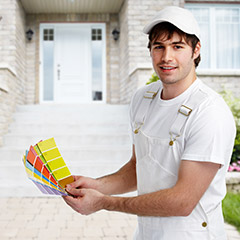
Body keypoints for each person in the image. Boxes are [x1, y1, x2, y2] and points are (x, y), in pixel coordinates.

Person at [63, 6, 236, 240]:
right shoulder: (142, 99)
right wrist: (96, 185)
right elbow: (138, 167)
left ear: (196, 50)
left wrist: (104, 202)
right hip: (147, 234)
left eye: (177, 46)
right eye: (159, 47)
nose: (166, 57)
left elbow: (183, 202)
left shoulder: (209, 112)